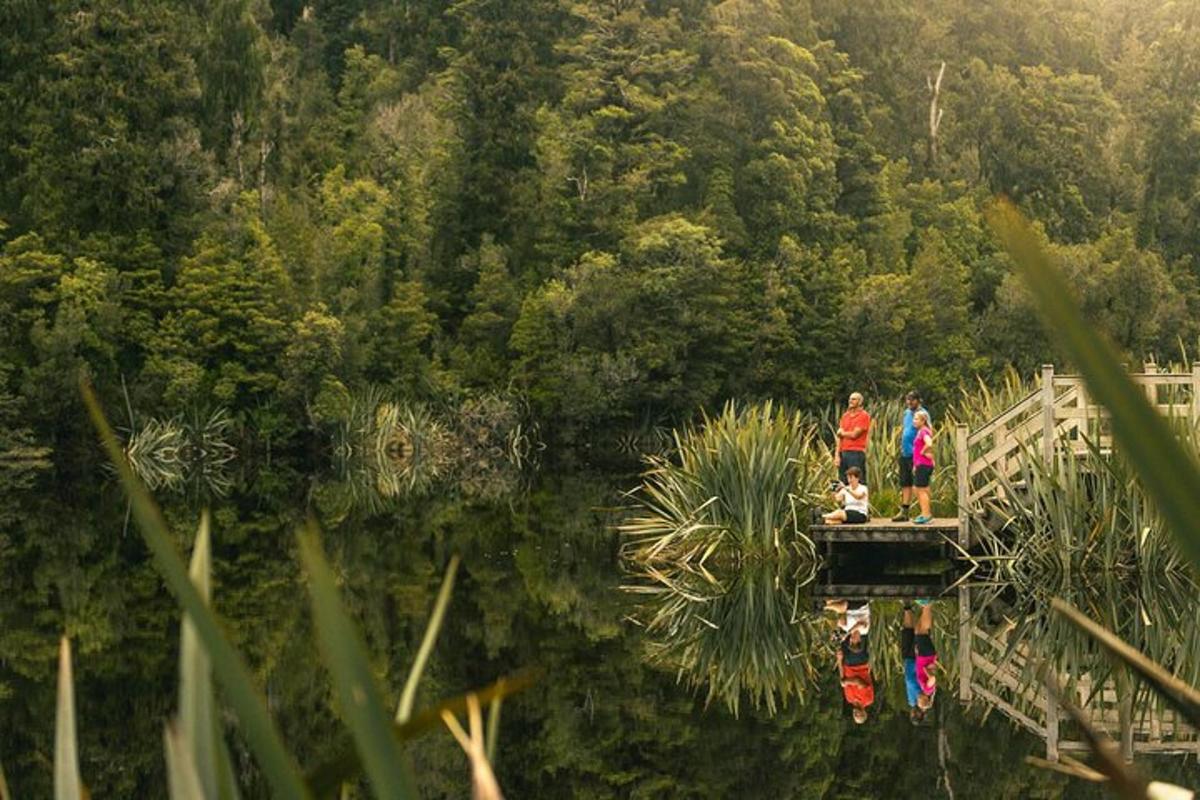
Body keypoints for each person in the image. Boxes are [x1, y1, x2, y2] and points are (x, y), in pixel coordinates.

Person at [826, 599, 874, 724]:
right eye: (859, 715)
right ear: (864, 713)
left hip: (847, 663)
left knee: (842, 631)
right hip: (859, 663)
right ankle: (834, 605)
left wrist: (839, 661)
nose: (856, 713)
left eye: (855, 715)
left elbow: (842, 678)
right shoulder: (868, 700)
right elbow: (859, 682)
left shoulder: (849, 699)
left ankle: (837, 603)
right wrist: (847, 682)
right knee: (855, 637)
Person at [892, 391, 929, 522]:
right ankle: (904, 511)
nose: (909, 403)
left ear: (918, 400)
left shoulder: (923, 414)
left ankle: (924, 513)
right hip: (905, 452)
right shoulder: (907, 413)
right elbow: (906, 429)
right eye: (907, 400)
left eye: (912, 400)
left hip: (916, 454)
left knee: (919, 485)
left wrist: (923, 452)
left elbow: (927, 432)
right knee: (905, 482)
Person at [835, 392, 871, 485]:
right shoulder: (845, 416)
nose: (850, 401)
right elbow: (839, 437)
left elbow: (855, 434)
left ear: (860, 402)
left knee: (857, 481)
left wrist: (842, 433)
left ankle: (859, 499)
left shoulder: (864, 416)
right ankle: (843, 499)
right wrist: (837, 455)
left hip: (856, 452)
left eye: (854, 399)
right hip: (843, 452)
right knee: (842, 481)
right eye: (850, 398)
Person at [901, 602, 925, 723]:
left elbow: (908, 683)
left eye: (913, 715)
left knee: (907, 631)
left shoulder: (911, 701)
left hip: (907, 661)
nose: (914, 713)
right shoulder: (924, 700)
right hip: (917, 661)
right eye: (917, 715)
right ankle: (925, 607)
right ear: (921, 714)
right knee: (919, 632)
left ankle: (907, 606)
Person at [914, 599, 938, 712]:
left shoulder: (925, 689)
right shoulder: (928, 690)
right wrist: (926, 670)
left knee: (918, 630)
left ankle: (925, 608)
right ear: (924, 699)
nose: (917, 699)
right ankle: (927, 605)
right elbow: (932, 678)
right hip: (927, 655)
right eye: (919, 701)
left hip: (922, 656)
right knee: (923, 630)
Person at [911, 409, 935, 524]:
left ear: (923, 420)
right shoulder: (921, 431)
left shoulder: (923, 431)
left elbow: (929, 443)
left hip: (924, 464)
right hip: (921, 464)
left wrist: (923, 451)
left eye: (916, 419)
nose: (913, 421)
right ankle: (924, 512)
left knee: (920, 490)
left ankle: (926, 514)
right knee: (921, 489)